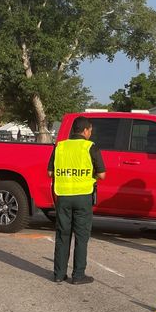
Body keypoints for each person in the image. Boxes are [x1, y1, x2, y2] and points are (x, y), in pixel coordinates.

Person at [47, 117, 106, 285]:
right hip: (83, 197)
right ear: (85, 130)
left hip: (63, 196)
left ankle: (59, 274)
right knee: (81, 236)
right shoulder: (90, 147)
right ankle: (78, 275)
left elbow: (50, 173)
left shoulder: (60, 146)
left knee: (62, 235)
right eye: (90, 131)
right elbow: (102, 175)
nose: (90, 134)